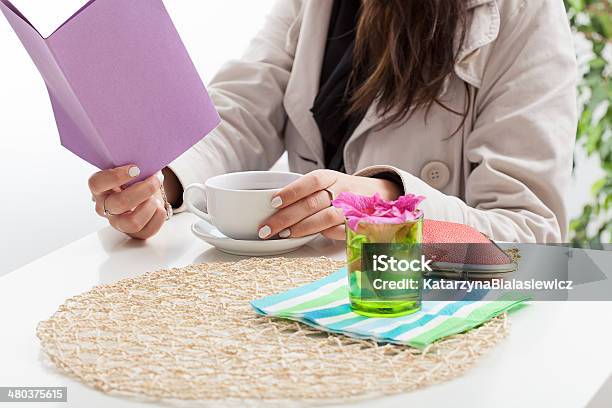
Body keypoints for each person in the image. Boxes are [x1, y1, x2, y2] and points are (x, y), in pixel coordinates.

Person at [88, 0, 577, 243]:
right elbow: (241, 113)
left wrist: (387, 205)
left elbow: (532, 236)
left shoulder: (524, 13)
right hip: (317, 307)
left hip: (437, 322)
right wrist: (164, 184)